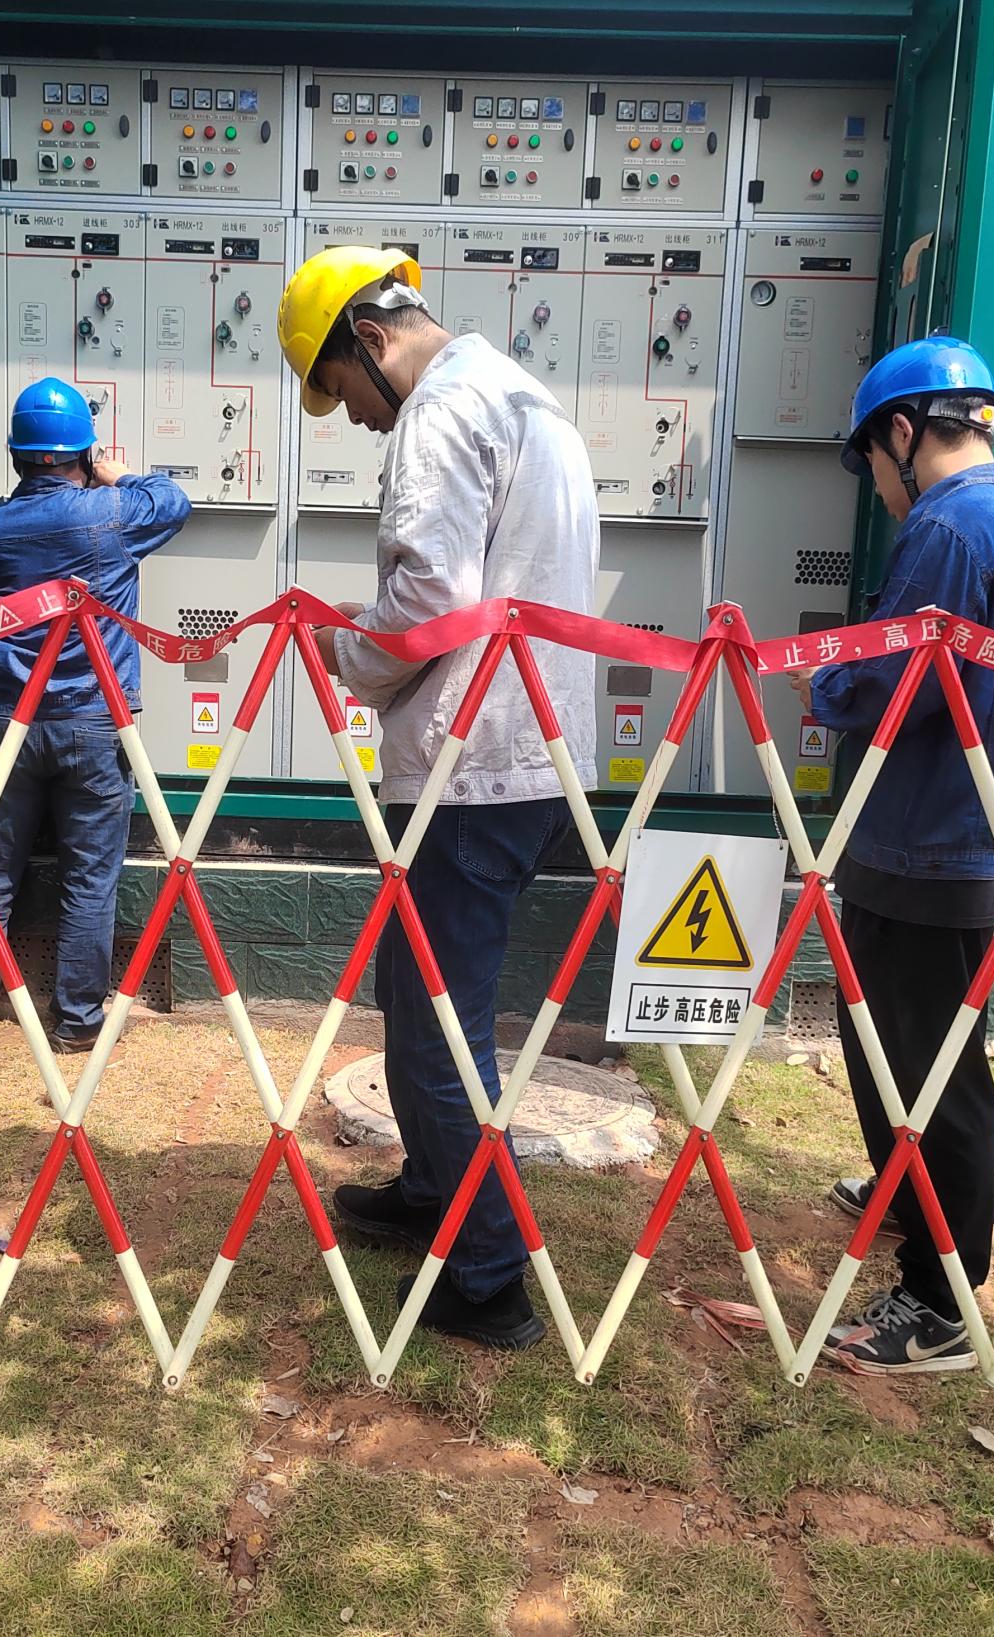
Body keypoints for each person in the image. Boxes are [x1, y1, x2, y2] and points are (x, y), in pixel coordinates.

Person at [277, 245, 600, 1349]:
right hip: (523, 749)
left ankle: (488, 1275)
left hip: (472, 762)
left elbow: (428, 597)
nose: (358, 419)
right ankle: (433, 1191)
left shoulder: (440, 411)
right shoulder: (523, 398)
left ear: (370, 338)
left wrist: (339, 653)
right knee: (417, 1000)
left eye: (343, 391)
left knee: (438, 1032)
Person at [790, 337, 994, 1373]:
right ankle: (903, 1193)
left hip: (923, 836)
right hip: (971, 831)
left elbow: (894, 677)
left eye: (872, 465)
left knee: (924, 1067)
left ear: (902, 431)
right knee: (903, 1047)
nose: (878, 490)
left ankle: (940, 1296)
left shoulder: (947, 528)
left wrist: (823, 685)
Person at [0, 377, 191, 1052]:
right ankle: (77, 1022)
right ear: (84, 450)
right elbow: (173, 501)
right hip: (97, 720)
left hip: (12, 720)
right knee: (90, 877)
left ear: (16, 454)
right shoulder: (112, 513)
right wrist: (116, 473)